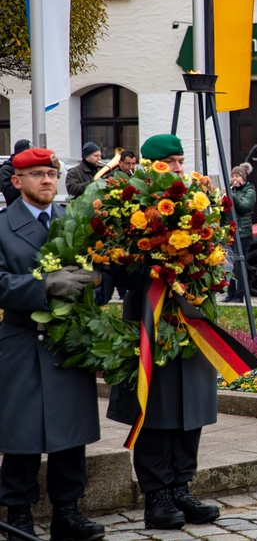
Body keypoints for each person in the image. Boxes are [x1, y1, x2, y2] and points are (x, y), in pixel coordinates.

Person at [107, 134, 221, 530]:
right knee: (155, 408)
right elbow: (117, 267)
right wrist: (158, 266)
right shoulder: (130, 207)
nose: (177, 169)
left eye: (179, 161)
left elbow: (213, 253)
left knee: (192, 406)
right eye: (169, 162)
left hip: (192, 319)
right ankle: (156, 495)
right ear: (150, 166)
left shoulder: (194, 202)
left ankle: (181, 487)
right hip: (151, 320)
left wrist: (202, 260)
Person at [0, 148, 110, 541]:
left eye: (51, 173)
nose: (47, 180)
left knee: (70, 431)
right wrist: (43, 285)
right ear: (17, 182)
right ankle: (18, 515)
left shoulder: (69, 221)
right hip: (22, 340)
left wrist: (97, 279)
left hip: (71, 341)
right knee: (21, 433)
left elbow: (99, 271)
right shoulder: (2, 226)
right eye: (37, 174)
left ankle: (68, 511)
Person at [223, 162, 256, 303]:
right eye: (232, 176)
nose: (234, 179)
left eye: (237, 176)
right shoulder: (232, 190)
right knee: (228, 263)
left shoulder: (249, 190)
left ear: (243, 178)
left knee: (239, 265)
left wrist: (231, 196)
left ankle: (240, 294)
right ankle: (230, 293)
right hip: (229, 233)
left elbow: (244, 206)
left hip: (243, 234)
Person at [0, 138, 32, 205]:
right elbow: (9, 195)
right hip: (15, 209)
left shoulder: (30, 166)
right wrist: (25, 178)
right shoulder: (6, 169)